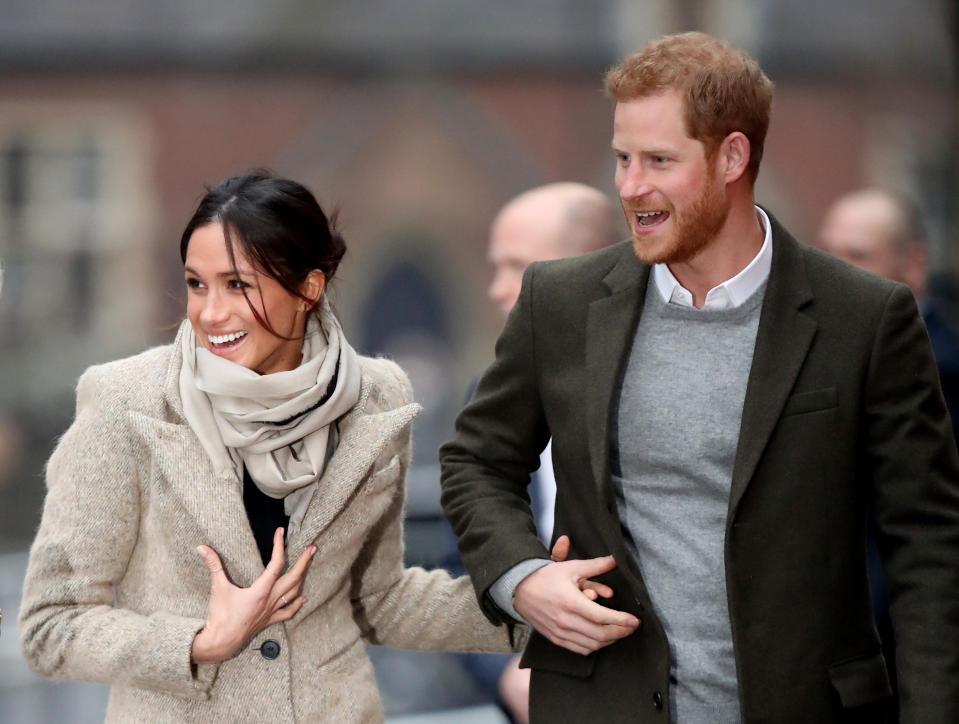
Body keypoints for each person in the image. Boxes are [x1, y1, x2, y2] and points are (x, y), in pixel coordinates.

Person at [440, 32, 959, 724]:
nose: (629, 187)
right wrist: (522, 578)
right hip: (599, 705)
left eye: (658, 160)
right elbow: (475, 461)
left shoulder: (864, 317)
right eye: (622, 158)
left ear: (732, 157)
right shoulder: (559, 302)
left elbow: (926, 548)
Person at [19, 172, 523, 723]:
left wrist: (531, 606)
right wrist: (199, 642)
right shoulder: (125, 403)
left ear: (308, 288)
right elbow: (53, 623)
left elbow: (376, 598)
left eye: (238, 285)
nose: (211, 313)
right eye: (196, 284)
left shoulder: (376, 398)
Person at [478, 182, 621, 723]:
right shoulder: (487, 397)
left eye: (517, 267)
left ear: (584, 268)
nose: (496, 289)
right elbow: (461, 560)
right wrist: (506, 671)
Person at [819, 187, 959, 440]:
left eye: (857, 255)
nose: (832, 271)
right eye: (826, 253)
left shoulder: (939, 369)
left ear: (913, 265)